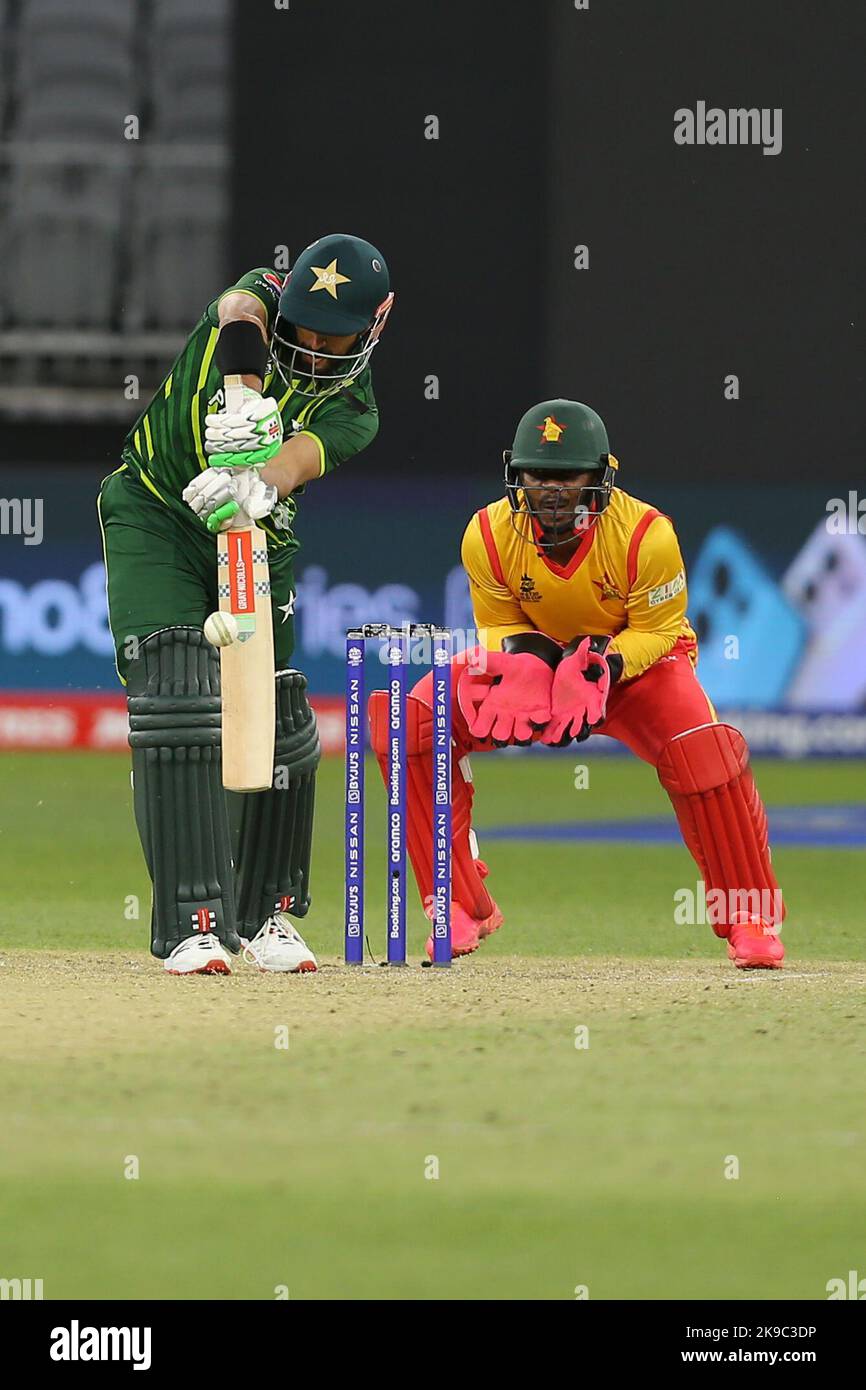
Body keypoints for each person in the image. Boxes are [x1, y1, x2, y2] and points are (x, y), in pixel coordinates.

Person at [368, 398, 785, 969]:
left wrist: (603, 666)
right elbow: (498, 625)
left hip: (633, 667)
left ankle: (749, 917)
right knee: (414, 719)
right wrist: (528, 659)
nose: (554, 491)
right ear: (517, 475)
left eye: (569, 477)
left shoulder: (646, 535)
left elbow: (660, 632)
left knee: (704, 754)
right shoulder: (487, 533)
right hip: (537, 669)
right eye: (539, 476)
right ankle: (457, 903)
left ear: (601, 476)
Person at [98, 233, 393, 975]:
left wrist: (259, 479)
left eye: (336, 338)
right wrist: (244, 391)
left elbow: (296, 461)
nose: (317, 350)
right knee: (176, 692)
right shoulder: (259, 300)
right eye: (304, 332)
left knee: (280, 717)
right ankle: (191, 923)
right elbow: (239, 306)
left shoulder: (355, 411)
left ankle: (269, 916)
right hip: (158, 512)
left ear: (376, 323)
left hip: (257, 533)